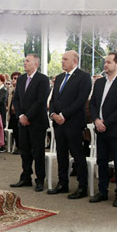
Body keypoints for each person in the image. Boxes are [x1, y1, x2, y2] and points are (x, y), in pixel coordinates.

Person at [89, 52, 117, 208]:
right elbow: (93, 104)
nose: (105, 65)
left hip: (116, 130)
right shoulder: (99, 83)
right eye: (105, 62)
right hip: (100, 128)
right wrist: (96, 120)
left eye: (108, 62)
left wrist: (105, 123)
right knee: (101, 161)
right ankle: (102, 191)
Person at [48, 50, 92, 200]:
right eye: (62, 59)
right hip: (58, 123)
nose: (62, 62)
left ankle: (82, 186)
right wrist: (53, 114)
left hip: (73, 122)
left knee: (77, 155)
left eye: (65, 59)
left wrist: (63, 115)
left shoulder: (84, 77)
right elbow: (54, 98)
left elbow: (81, 100)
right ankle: (62, 183)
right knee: (61, 154)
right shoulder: (59, 78)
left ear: (75, 61)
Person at [10, 55, 50, 192]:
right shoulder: (21, 79)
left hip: (37, 122)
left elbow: (40, 101)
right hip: (22, 121)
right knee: (24, 151)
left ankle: (40, 179)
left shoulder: (43, 79)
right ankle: (26, 177)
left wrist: (28, 116)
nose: (24, 63)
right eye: (24, 60)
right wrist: (21, 115)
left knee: (38, 152)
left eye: (27, 61)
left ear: (36, 63)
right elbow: (16, 99)